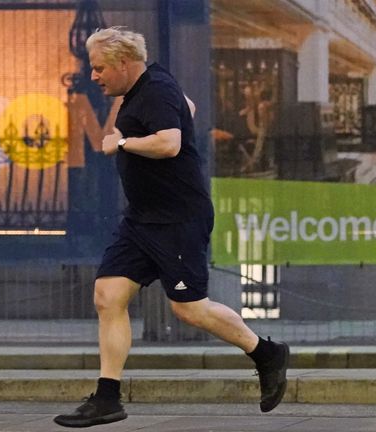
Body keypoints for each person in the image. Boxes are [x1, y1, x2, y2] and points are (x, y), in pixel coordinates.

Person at [53, 27, 290, 428]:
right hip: (141, 218)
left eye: (99, 68)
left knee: (189, 308)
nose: (93, 76)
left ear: (123, 63)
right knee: (108, 295)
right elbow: (190, 107)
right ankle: (107, 397)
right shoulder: (154, 87)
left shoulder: (156, 89)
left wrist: (121, 143)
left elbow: (170, 144)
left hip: (177, 219)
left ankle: (265, 353)